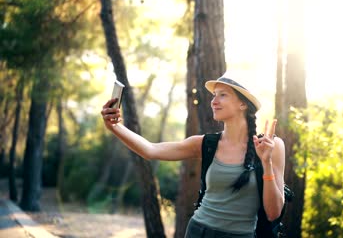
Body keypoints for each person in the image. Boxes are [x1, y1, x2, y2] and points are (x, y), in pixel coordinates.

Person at [101, 73, 286, 238]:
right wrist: (115, 127)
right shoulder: (205, 144)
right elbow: (151, 150)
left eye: (223, 95)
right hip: (198, 231)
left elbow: (273, 213)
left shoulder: (271, 146)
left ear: (243, 103)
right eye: (214, 95)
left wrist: (266, 162)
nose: (214, 101)